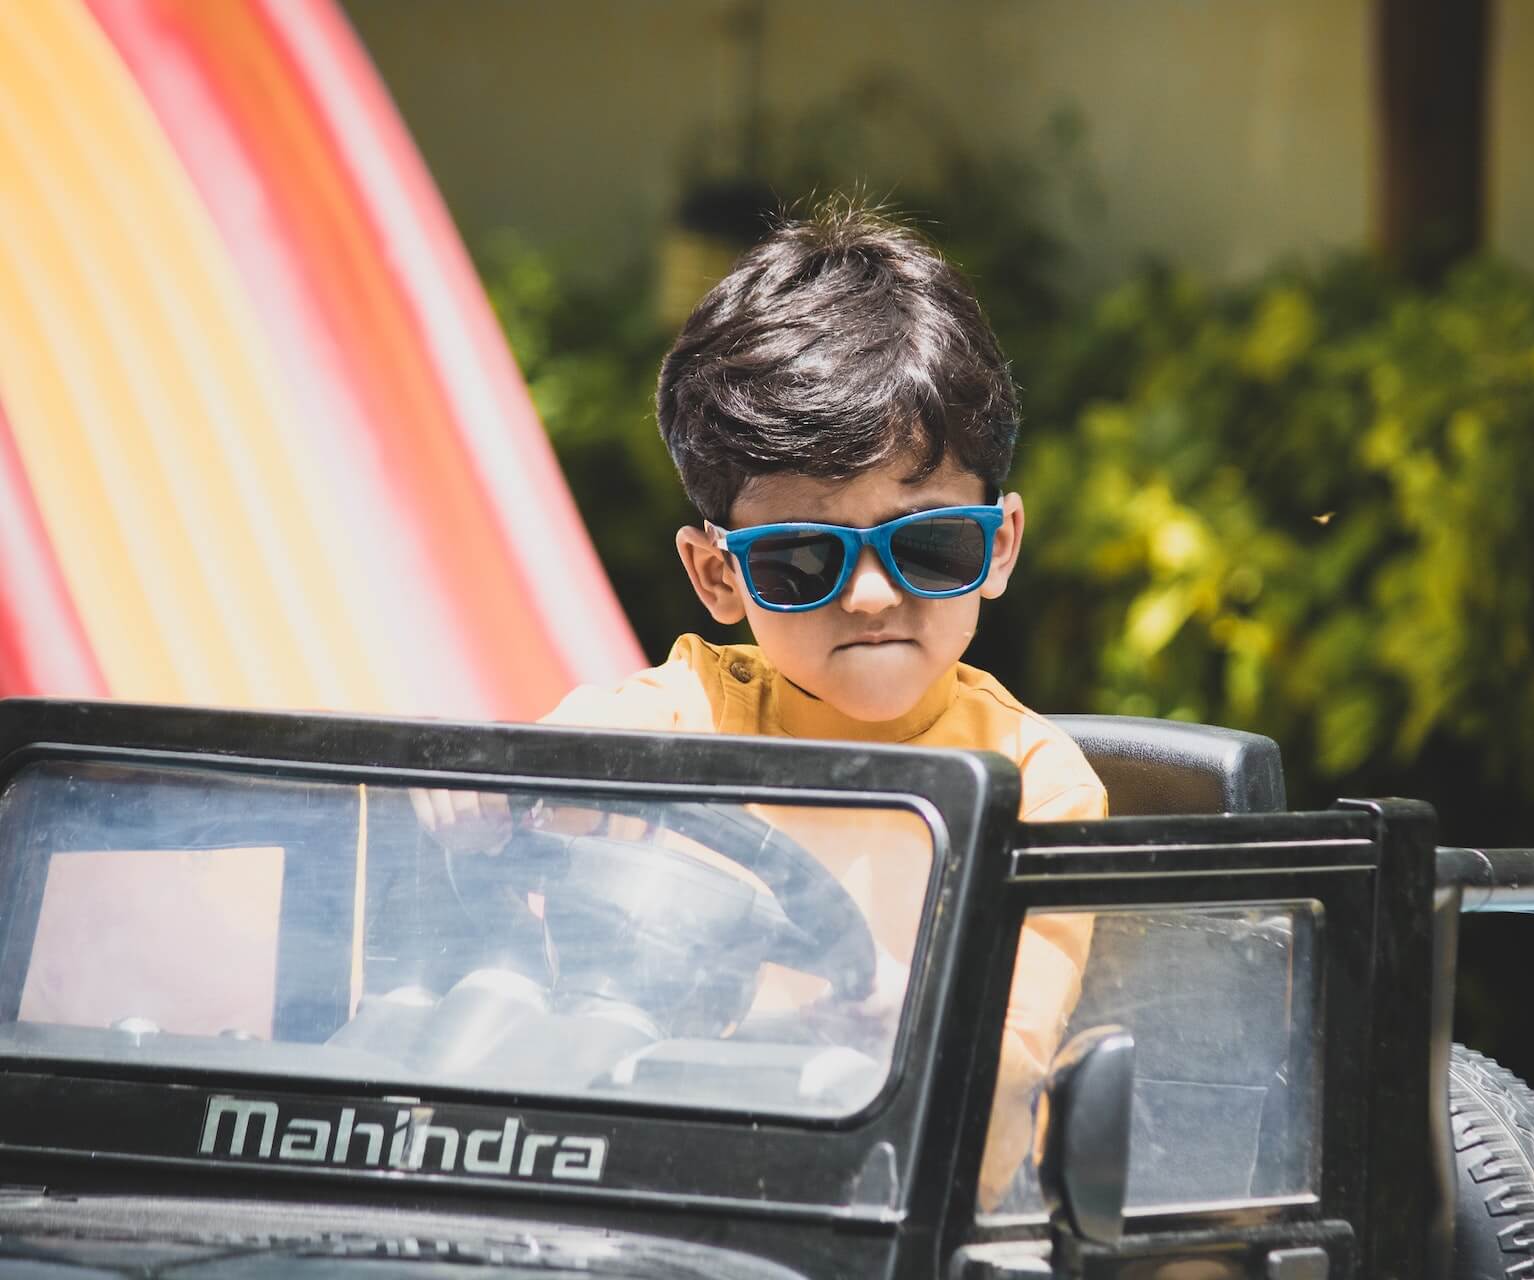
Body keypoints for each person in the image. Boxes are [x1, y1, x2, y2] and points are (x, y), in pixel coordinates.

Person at [422, 204, 1105, 1204]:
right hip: (651, 1192)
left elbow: (1008, 1067)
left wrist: (903, 1015)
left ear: (997, 547)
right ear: (717, 576)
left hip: (896, 1212)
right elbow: (564, 762)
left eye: (927, 545)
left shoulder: (1037, 785)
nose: (869, 595)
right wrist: (489, 793)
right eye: (801, 559)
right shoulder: (683, 715)